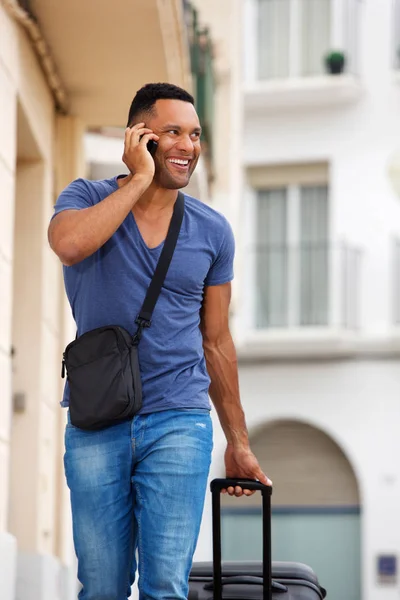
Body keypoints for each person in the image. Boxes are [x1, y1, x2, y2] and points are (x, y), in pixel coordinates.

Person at [48, 82, 272, 600]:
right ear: (139, 137)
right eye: (172, 132)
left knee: (165, 587)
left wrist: (237, 441)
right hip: (96, 419)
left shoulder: (212, 232)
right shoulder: (85, 198)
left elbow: (216, 341)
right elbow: (69, 244)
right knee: (101, 587)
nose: (188, 146)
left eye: (194, 135)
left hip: (179, 418)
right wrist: (138, 181)